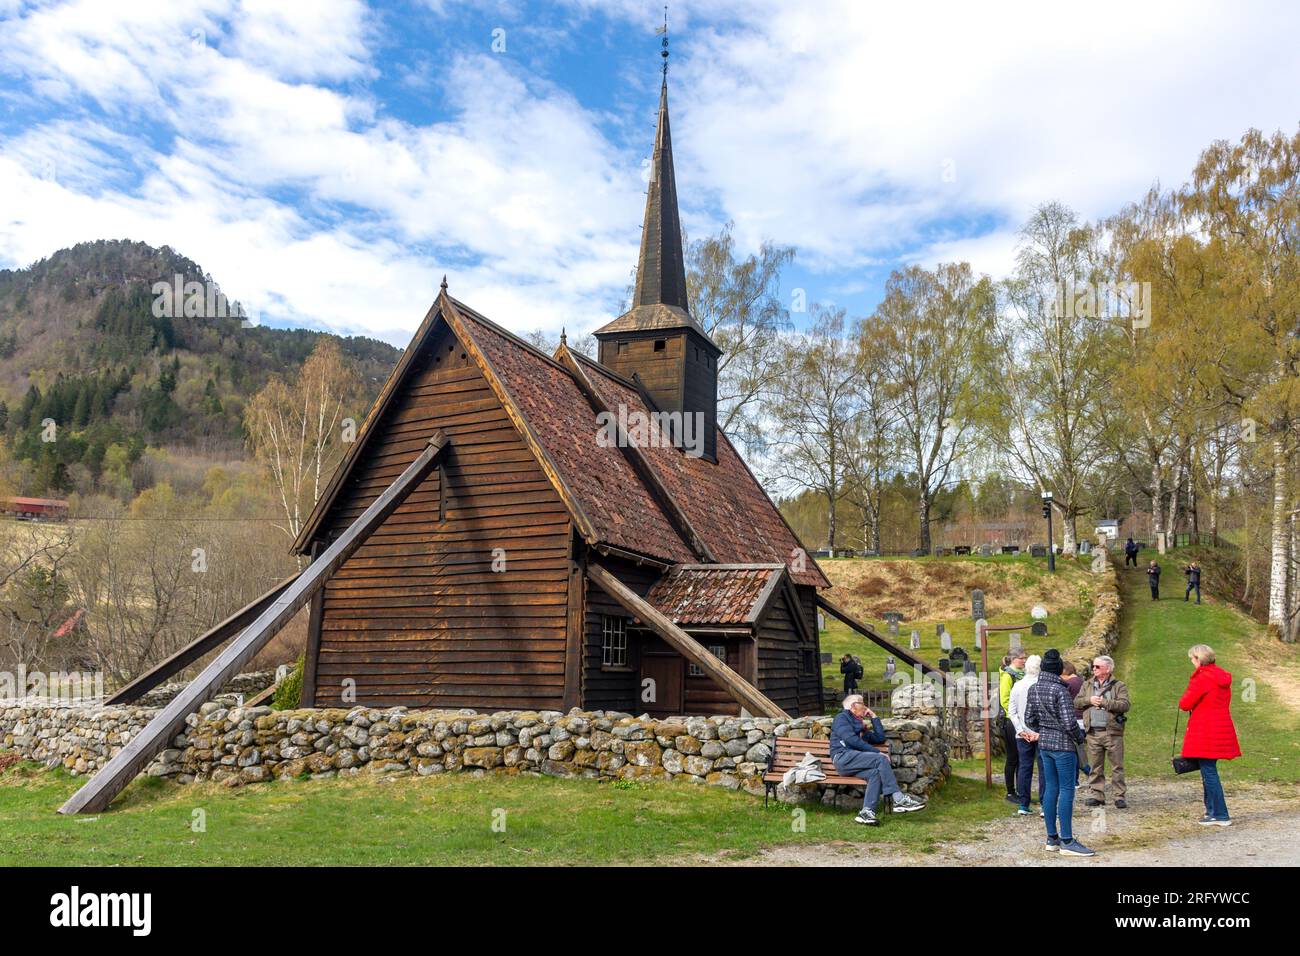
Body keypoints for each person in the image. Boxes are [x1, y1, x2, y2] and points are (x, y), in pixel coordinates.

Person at [1023, 649, 1095, 856]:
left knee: (1051, 789)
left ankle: (1051, 838)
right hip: (1063, 746)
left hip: (1044, 745)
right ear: (1058, 670)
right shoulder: (1060, 690)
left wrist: (1043, 730)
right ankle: (1067, 840)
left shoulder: (1034, 689)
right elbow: (1069, 722)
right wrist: (1079, 738)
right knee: (1067, 790)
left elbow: (1029, 720)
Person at [830, 693, 926, 825]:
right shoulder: (842, 718)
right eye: (862, 703)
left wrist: (874, 717)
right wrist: (877, 752)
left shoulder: (861, 728)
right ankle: (898, 799)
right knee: (880, 759)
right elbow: (850, 740)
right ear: (853, 706)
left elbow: (880, 738)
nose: (865, 706)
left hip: (854, 762)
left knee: (874, 774)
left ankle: (867, 812)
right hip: (842, 758)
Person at [1179, 644, 1240, 826]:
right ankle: (1212, 811)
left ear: (1198, 659)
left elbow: (1185, 703)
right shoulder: (1221, 676)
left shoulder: (1203, 677)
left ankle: (1220, 814)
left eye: (1192, 659)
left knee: (1209, 772)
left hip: (1205, 729)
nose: (1192, 662)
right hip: (1220, 726)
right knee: (1208, 769)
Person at [1077, 655, 1130, 809]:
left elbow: (1125, 705)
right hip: (1092, 732)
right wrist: (1089, 700)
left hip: (1112, 732)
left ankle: (1119, 796)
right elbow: (1077, 702)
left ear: (1108, 669)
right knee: (1095, 767)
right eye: (1093, 666)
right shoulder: (1087, 684)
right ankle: (1097, 795)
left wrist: (1105, 703)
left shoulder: (1119, 685)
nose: (1093, 669)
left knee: (1117, 766)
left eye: (1097, 667)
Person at [1008, 654, 1045, 816]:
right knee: (1044, 768)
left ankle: (1023, 804)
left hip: (1022, 734)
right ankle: (1045, 805)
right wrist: (1037, 732)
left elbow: (1012, 711)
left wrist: (1020, 730)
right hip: (1041, 734)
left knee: (1024, 767)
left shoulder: (1017, 685)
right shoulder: (1043, 685)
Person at [999, 652, 1026, 803]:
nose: (1024, 661)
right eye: (1021, 658)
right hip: (1011, 722)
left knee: (1022, 758)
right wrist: (1015, 717)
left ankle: (1021, 791)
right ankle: (1010, 792)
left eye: (1025, 658)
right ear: (1013, 660)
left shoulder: (1022, 675)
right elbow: (1005, 699)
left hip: (1022, 721)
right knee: (1013, 758)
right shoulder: (1008, 676)